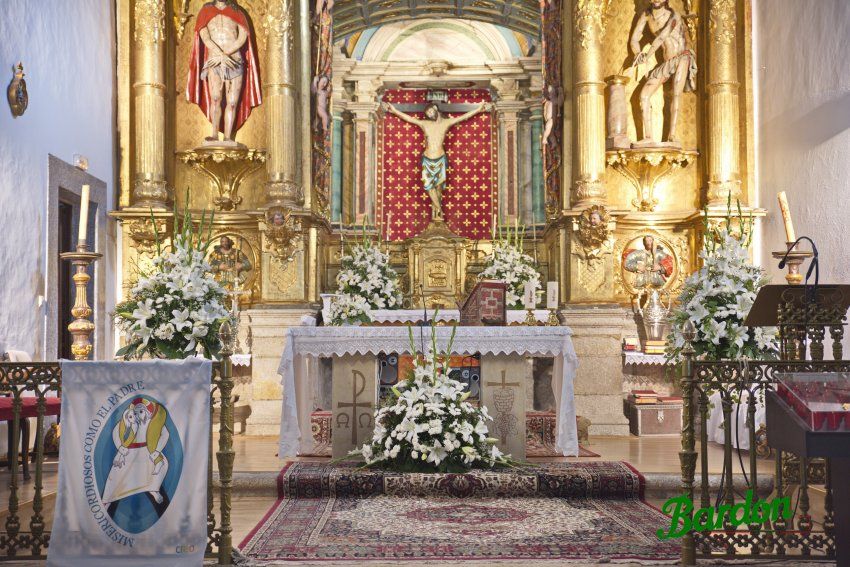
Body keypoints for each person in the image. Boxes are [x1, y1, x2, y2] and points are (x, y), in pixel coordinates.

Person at [382, 101, 491, 219]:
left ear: (435, 108)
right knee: (429, 187)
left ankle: (436, 215)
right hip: (428, 159)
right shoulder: (425, 124)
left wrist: (479, 109)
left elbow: (464, 116)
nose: (429, 114)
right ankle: (440, 211)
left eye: (430, 111)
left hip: (440, 159)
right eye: (427, 113)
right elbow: (409, 118)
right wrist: (394, 110)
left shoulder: (446, 122)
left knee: (439, 189)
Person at [186, 0, 261, 143]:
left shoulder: (236, 11)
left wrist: (226, 53)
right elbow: (204, 35)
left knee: (232, 102)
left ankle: (228, 137)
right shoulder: (206, 10)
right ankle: (214, 135)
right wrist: (219, 54)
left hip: (234, 60)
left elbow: (242, 36)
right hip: (215, 60)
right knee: (215, 97)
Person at [629, 0, 697, 146]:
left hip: (682, 57)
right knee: (644, 95)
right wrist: (637, 54)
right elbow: (634, 39)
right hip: (666, 63)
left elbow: (661, 38)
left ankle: (671, 136)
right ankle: (648, 137)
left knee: (675, 95)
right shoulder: (646, 15)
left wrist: (647, 56)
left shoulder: (674, 15)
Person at [102, 397, 171, 518]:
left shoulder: (154, 422)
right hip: (129, 454)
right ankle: (107, 502)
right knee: (115, 479)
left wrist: (157, 450)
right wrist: (120, 448)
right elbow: (115, 433)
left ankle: (155, 494)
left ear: (146, 411)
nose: (138, 414)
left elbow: (165, 434)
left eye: (141, 411)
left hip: (147, 454)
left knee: (152, 478)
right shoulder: (129, 421)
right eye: (135, 412)